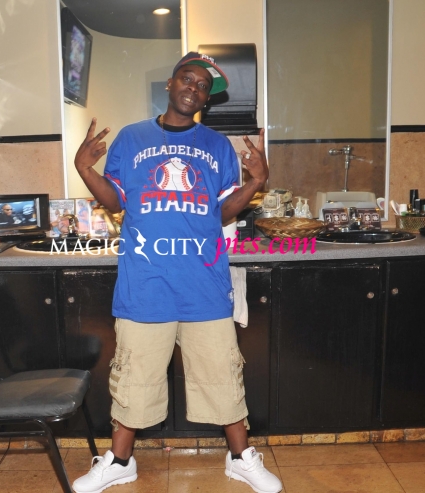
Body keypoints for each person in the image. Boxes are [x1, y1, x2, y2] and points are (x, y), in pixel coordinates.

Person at [72, 52, 282, 493]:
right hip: (145, 281)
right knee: (135, 375)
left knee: (222, 372)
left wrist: (254, 183)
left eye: (203, 86)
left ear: (206, 98)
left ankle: (241, 458)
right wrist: (85, 169)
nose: (194, 89)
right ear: (170, 84)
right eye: (188, 79)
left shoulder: (217, 146)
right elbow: (114, 201)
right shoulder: (132, 137)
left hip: (204, 282)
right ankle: (120, 461)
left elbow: (222, 211)